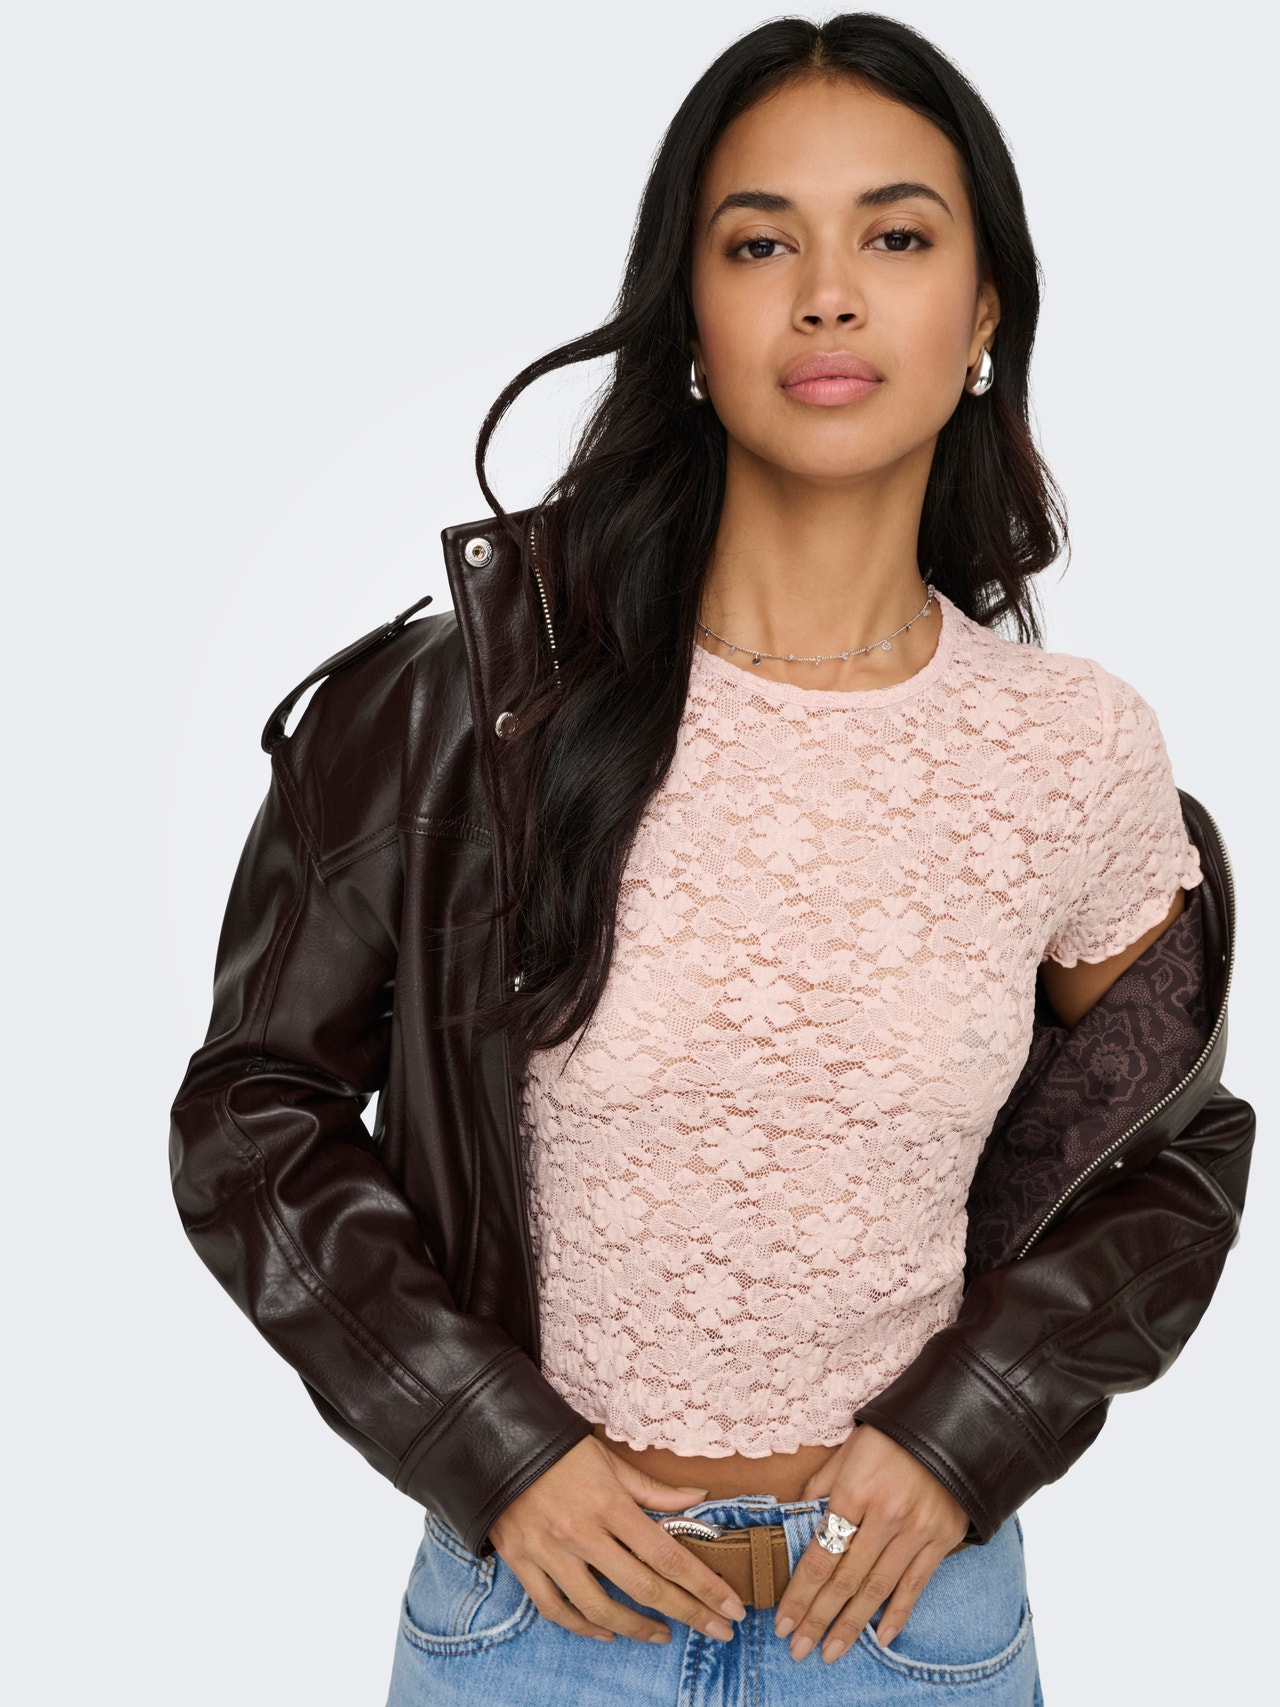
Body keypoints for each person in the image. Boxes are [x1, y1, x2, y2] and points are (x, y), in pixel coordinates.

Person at [168, 13, 1254, 1705]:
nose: (828, 296)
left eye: (897, 238)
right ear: (687, 319)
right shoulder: (470, 706)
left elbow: (1173, 1157)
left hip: (910, 1638)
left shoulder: (1073, 749)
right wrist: (490, 1446)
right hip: (533, 1638)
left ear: (984, 315)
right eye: (760, 244)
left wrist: (970, 1435)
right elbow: (253, 1116)